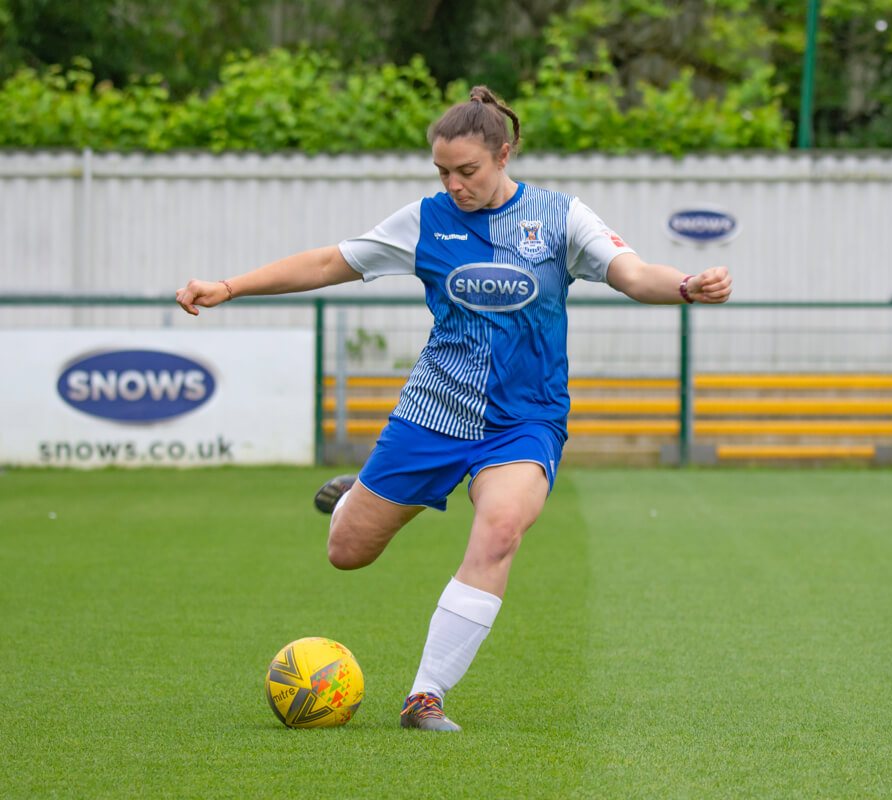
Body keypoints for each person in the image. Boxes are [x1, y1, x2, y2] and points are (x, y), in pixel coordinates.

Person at [176, 85, 732, 732]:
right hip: (434, 413)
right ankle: (362, 493)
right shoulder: (425, 219)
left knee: (499, 531)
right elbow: (332, 260)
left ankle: (425, 696)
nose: (454, 184)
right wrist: (231, 287)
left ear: (504, 154)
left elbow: (633, 274)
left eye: (467, 171)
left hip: (524, 422)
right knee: (347, 551)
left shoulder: (559, 219)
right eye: (443, 171)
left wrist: (687, 286)